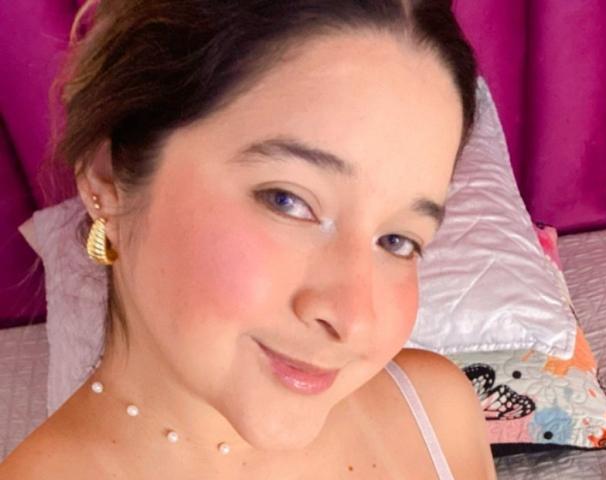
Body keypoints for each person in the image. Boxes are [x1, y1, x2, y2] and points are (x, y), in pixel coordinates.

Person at [0, 0, 496, 478]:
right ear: (108, 176)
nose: (353, 319)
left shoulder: (436, 412)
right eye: (288, 201)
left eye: (398, 240)